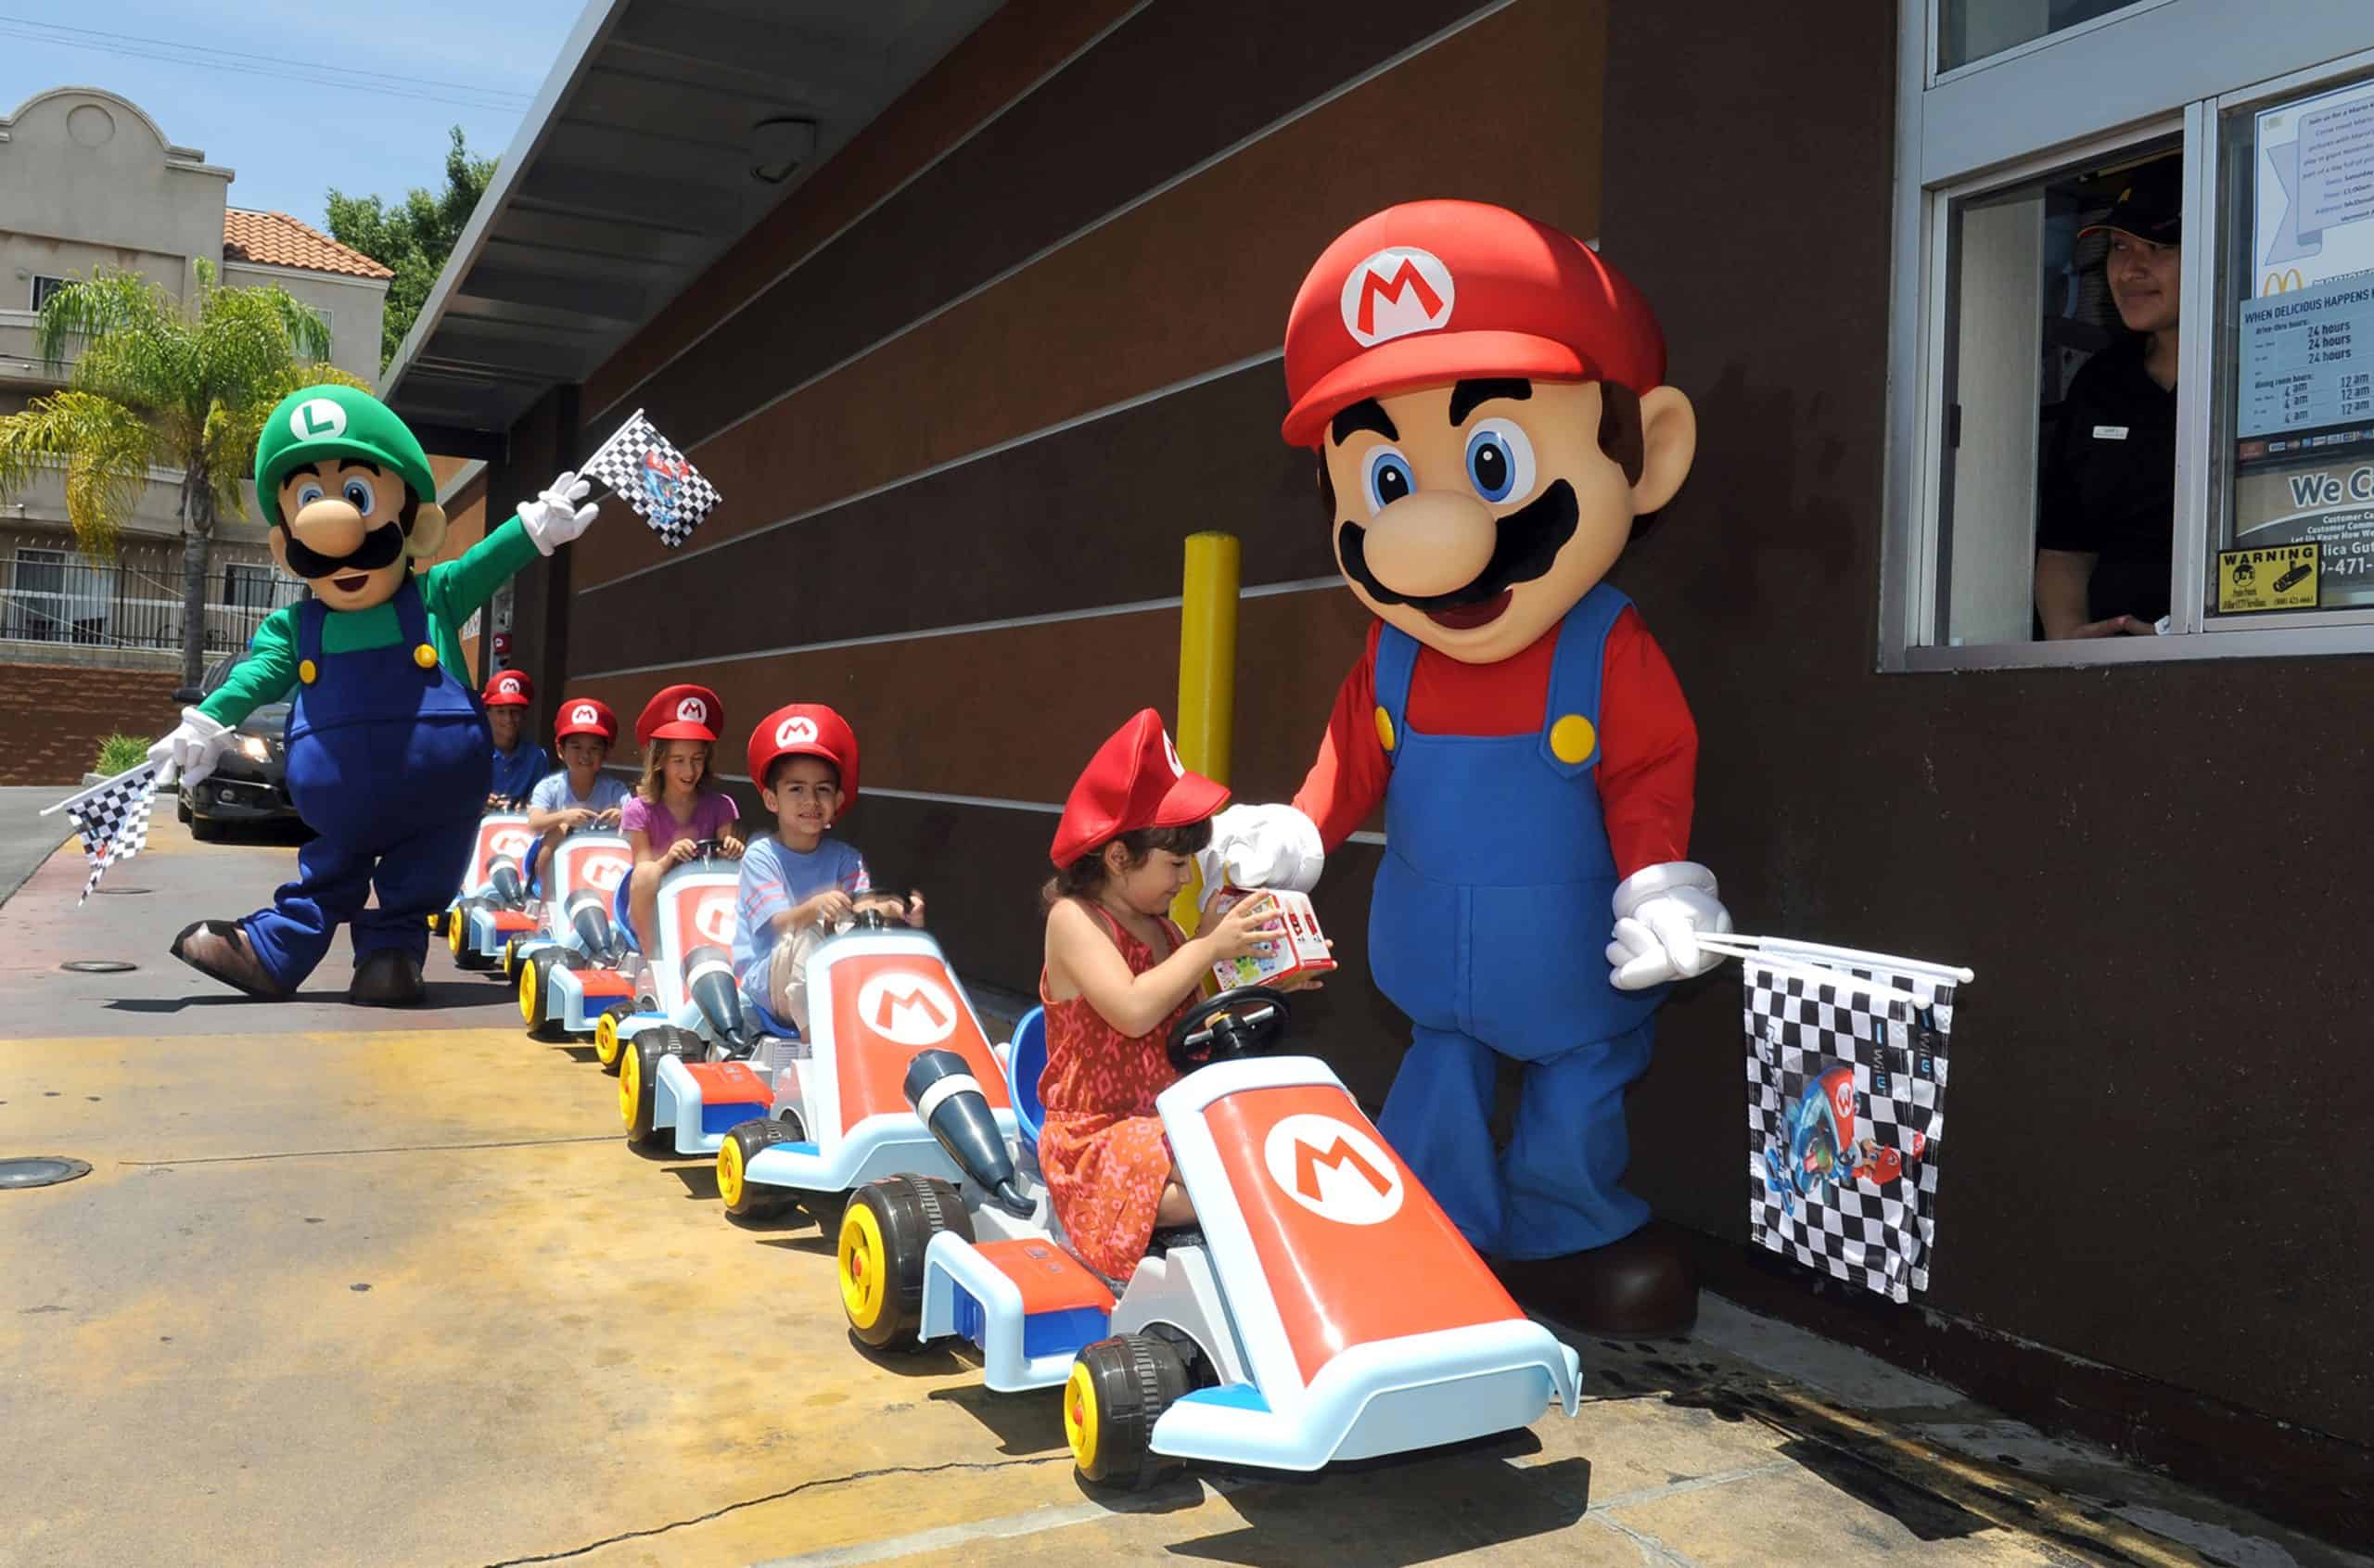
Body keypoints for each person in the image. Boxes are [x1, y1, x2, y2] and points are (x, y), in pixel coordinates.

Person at [1200, 201, 1732, 1336]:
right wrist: (1297, 832)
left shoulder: (1606, 645)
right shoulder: (1390, 651)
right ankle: (1432, 1225)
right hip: (1432, 954)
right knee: (1436, 1082)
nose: (1423, 534)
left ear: (1649, 454)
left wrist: (1657, 881)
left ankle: (1567, 1236)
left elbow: (1647, 769)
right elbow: (1347, 756)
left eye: (1488, 460)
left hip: (1569, 953)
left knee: (1577, 1089)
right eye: (1385, 481)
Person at [149, 384, 598, 1006]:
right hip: (343, 808)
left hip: (435, 802)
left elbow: (487, 564)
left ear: (414, 525)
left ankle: (390, 953)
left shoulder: (433, 595)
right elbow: (254, 676)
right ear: (287, 546)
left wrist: (532, 528)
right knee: (329, 873)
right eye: (309, 501)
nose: (334, 530)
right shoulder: (298, 627)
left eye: (356, 497)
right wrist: (206, 722)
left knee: (418, 876)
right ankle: (274, 954)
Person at [1038, 709, 1293, 1282]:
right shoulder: (1076, 921)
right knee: (1216, 1184)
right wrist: (1205, 947)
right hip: (1097, 1135)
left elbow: (1195, 1016)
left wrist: (1275, 980)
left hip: (1167, 1121)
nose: (1185, 880)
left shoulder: (1167, 930)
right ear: (1118, 857)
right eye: (1177, 864)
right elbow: (1132, 1010)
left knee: (1254, 1151)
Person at [2036, 157, 2181, 638]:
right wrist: (2070, 640)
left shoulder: (2258, 368)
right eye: (2120, 246)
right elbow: (2064, 545)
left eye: (2158, 246)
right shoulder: (2100, 381)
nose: (2131, 269)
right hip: (2108, 671)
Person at [732, 702, 925, 1031]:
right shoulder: (761, 856)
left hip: (832, 970)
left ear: (836, 801)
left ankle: (909, 1029)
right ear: (771, 800)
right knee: (812, 935)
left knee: (879, 937)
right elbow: (777, 926)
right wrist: (812, 909)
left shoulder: (846, 858)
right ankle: (814, 1044)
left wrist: (899, 911)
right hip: (769, 978)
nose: (811, 801)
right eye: (796, 789)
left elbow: (865, 910)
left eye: (822, 790)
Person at [619, 683, 743, 952]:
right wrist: (670, 858)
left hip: (706, 903)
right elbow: (643, 871)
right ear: (660, 761)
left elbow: (726, 871)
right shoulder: (638, 809)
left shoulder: (721, 805)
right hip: (655, 905)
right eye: (679, 760)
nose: (690, 770)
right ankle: (652, 957)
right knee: (643, 874)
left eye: (697, 759)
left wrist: (732, 850)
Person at [524, 696, 631, 879]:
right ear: (561, 751)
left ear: (606, 753)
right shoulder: (549, 787)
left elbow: (639, 820)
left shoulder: (615, 790)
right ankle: (544, 893)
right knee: (558, 830)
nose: (585, 755)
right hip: (559, 867)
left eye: (594, 749)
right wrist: (565, 816)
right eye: (576, 747)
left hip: (603, 865)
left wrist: (623, 817)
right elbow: (534, 823)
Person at [482, 669, 552, 808]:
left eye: (515, 712)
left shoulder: (537, 757)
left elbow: (543, 804)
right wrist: (478, 801)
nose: (508, 719)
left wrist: (526, 806)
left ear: (524, 715)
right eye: (500, 712)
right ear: (488, 713)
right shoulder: (472, 752)